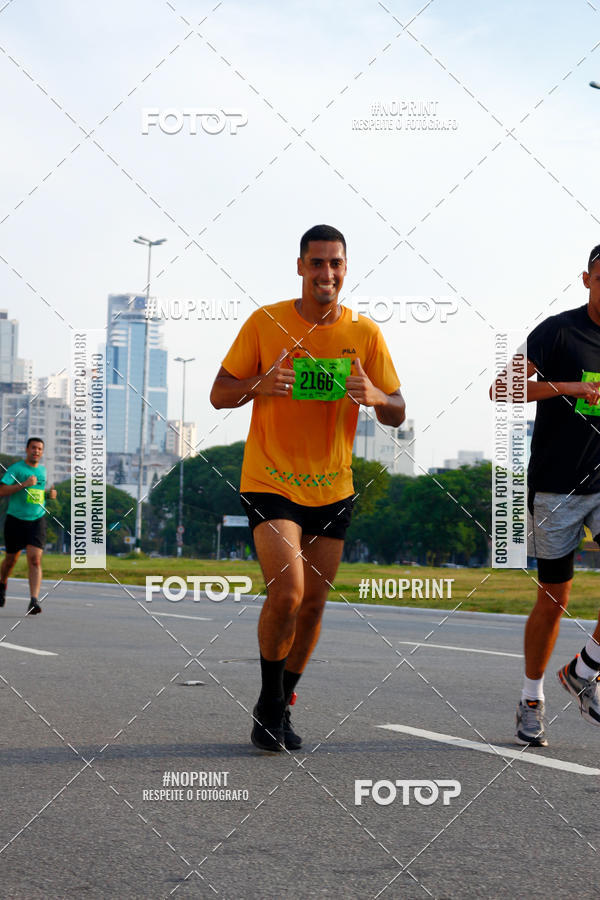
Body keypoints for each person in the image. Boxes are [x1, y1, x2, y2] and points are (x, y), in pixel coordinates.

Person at [210, 224, 405, 751]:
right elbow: (218, 394)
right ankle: (270, 701)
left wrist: (376, 396)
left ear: (346, 268)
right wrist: (259, 384)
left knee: (314, 604)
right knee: (289, 592)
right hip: (270, 479)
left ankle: (278, 704)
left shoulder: (365, 333)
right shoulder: (265, 322)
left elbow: (398, 410)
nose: (327, 273)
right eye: (317, 263)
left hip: (333, 486)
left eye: (335, 263)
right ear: (300, 267)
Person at [491, 244, 600, 747]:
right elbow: (501, 389)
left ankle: (583, 669)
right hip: (556, 485)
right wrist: (568, 388)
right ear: (587, 279)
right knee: (554, 600)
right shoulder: (558, 331)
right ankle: (531, 697)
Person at [0, 437, 56, 615]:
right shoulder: (16, 469)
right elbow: (2, 490)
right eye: (33, 448)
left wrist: (49, 495)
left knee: (35, 559)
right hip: (15, 520)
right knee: (11, 560)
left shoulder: (43, 471)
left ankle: (34, 600)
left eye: (39, 449)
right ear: (26, 449)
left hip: (37, 520)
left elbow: (38, 493)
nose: (36, 451)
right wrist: (23, 485)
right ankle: (2, 583)